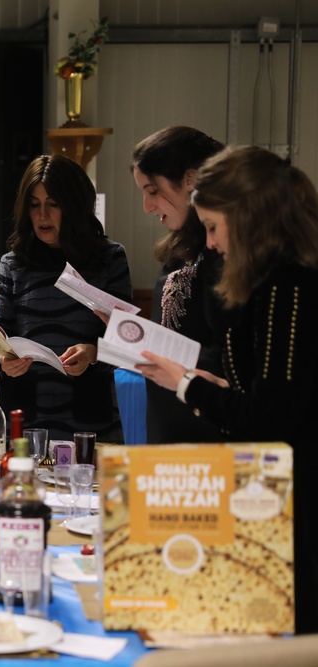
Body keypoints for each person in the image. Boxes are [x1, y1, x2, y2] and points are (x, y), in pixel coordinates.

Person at [138, 145, 318, 635]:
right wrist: (213, 386)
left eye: (214, 227)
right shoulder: (269, 284)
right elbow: (268, 392)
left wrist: (189, 386)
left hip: (292, 501)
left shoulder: (290, 286)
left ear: (251, 219)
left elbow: (272, 417)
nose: (211, 244)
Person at [0, 155, 132, 443]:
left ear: (74, 205)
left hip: (89, 418)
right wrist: (3, 359)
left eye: (53, 204)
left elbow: (125, 340)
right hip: (23, 419)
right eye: (34, 204)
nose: (43, 215)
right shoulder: (12, 263)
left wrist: (91, 353)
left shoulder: (109, 258)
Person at [131, 127, 228, 443]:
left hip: (207, 426)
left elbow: (227, 354)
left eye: (153, 191)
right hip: (168, 422)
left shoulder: (221, 251)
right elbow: (178, 330)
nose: (147, 205)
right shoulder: (180, 249)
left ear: (190, 180)